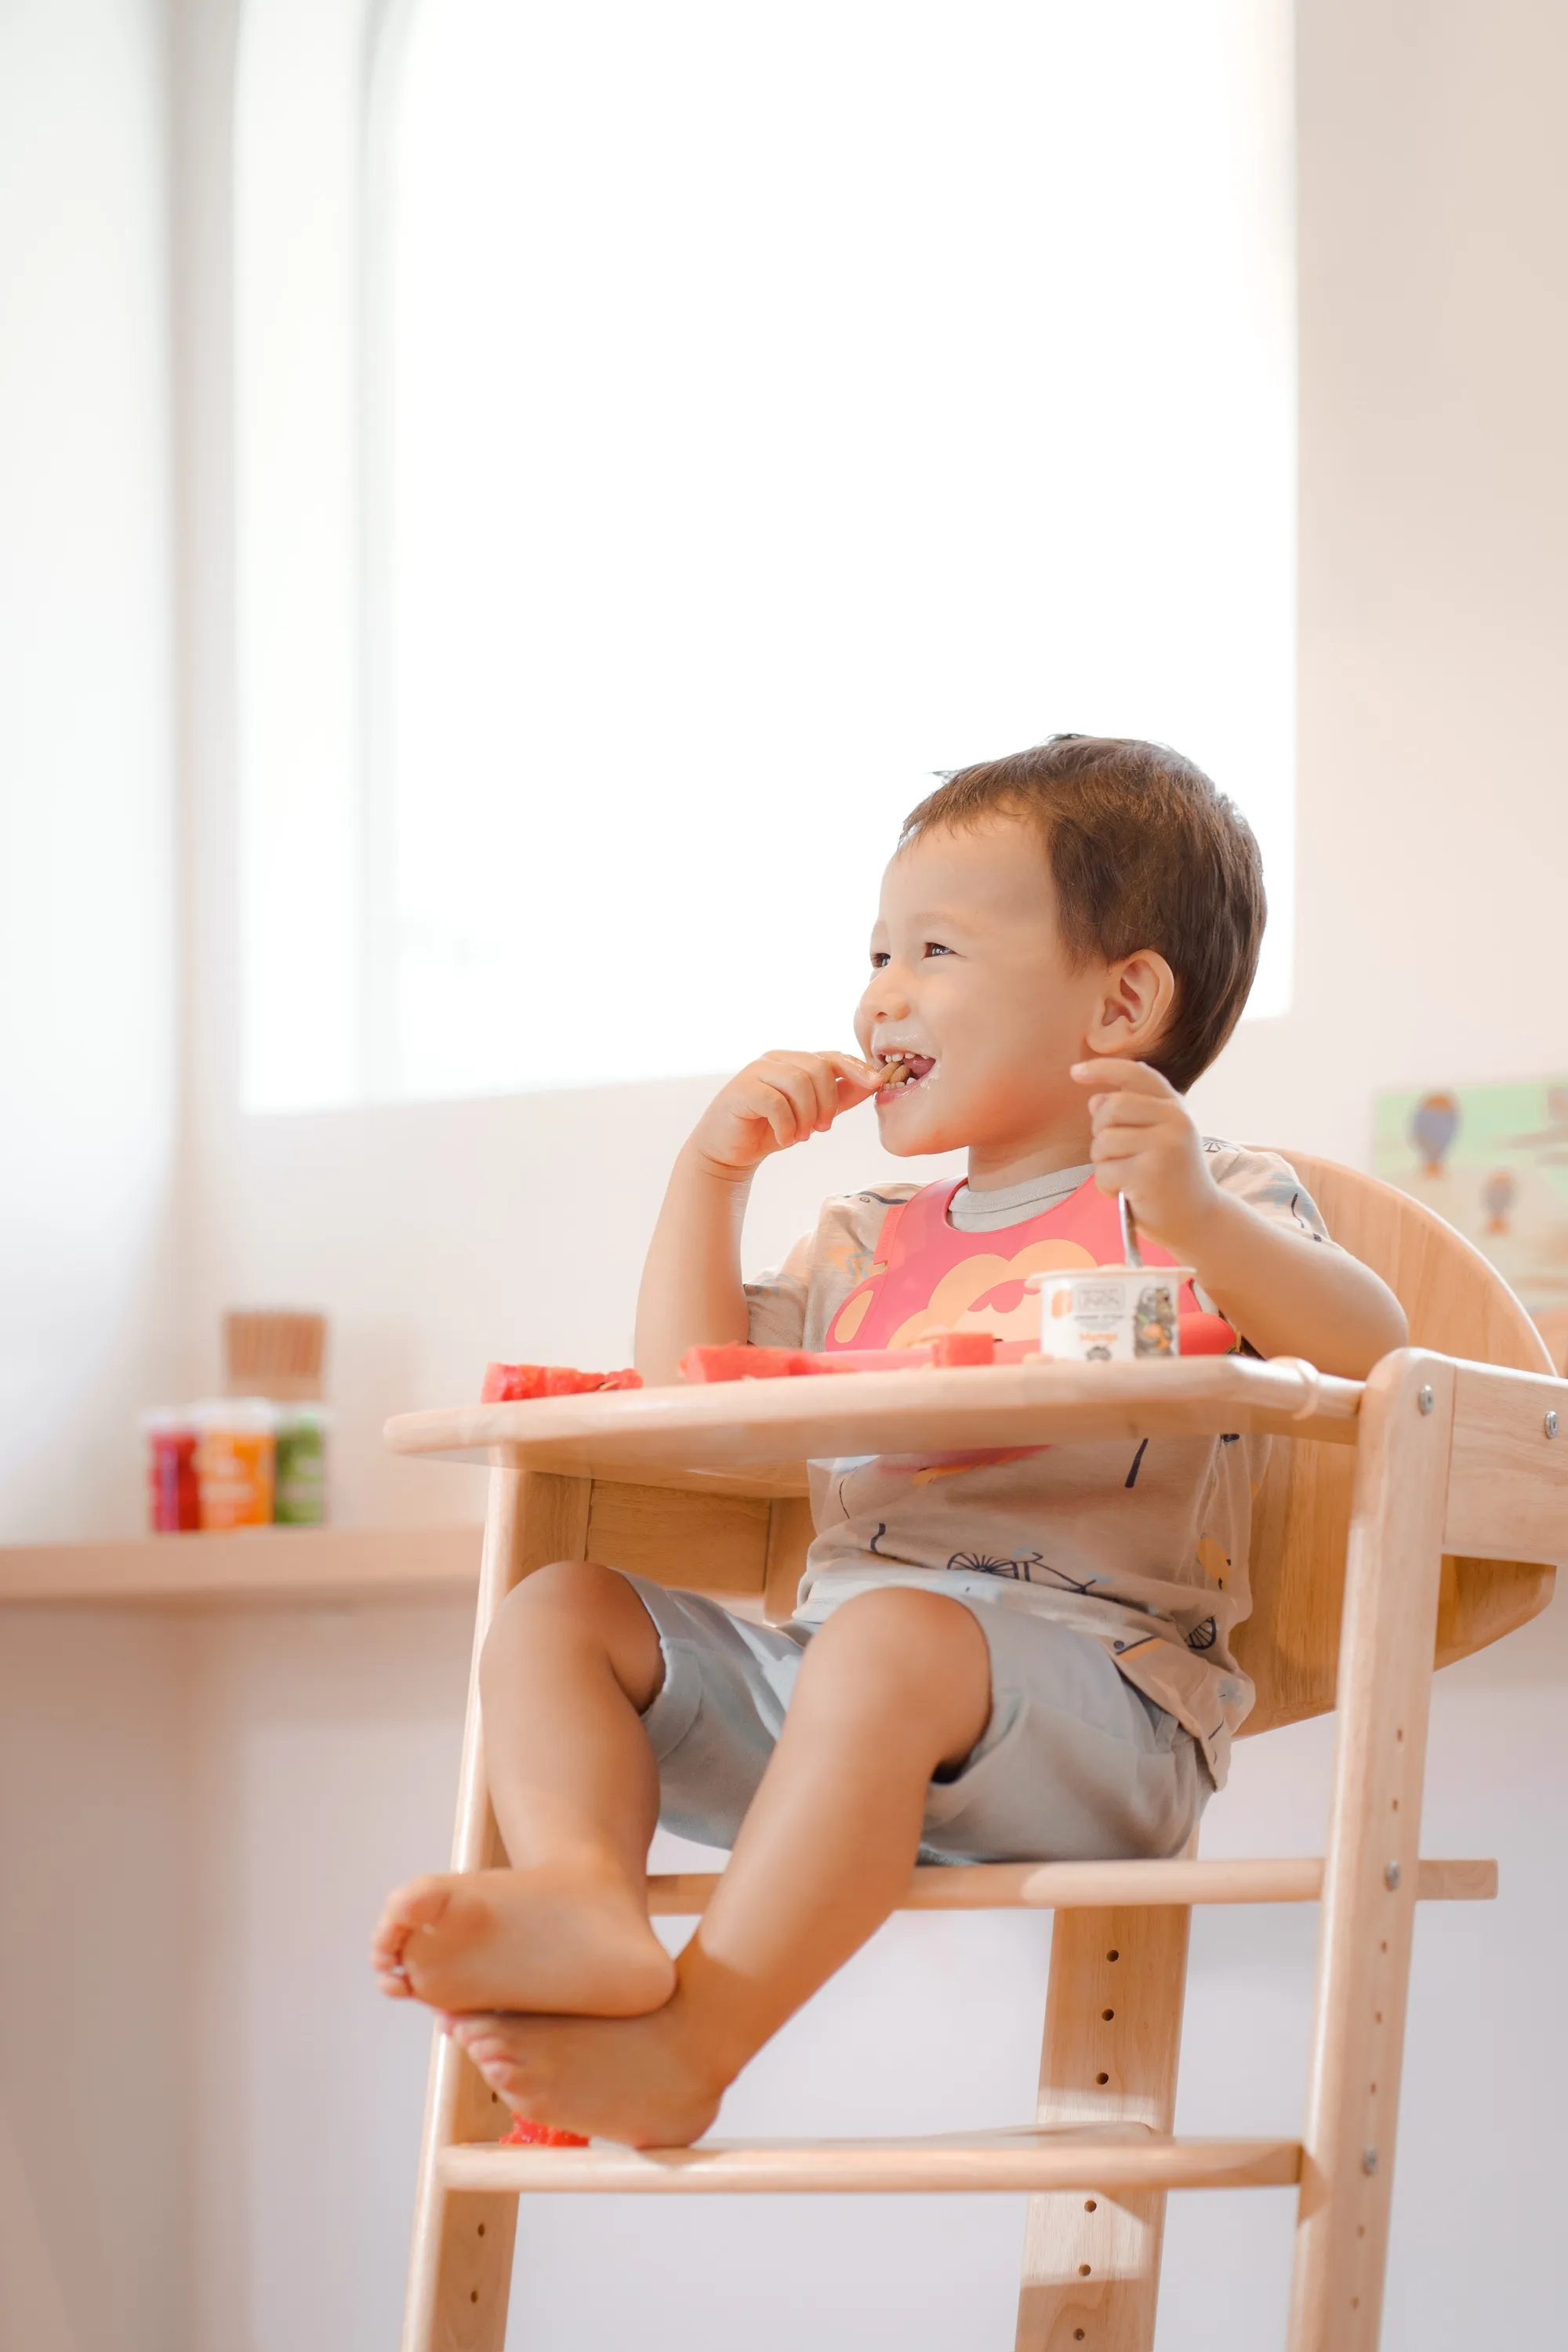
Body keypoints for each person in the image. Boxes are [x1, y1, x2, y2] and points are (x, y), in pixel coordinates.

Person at [371, 734, 1408, 2148]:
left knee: (893, 1638)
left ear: (1122, 1001)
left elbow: (1373, 1348)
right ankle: (583, 1898)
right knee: (561, 1613)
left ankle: (698, 2041)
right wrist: (711, 1176)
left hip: (1100, 1720)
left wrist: (1202, 1224)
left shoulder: (1207, 1193)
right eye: (873, 956)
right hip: (840, 1705)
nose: (881, 998)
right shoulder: (866, 1237)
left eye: (934, 950)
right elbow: (694, 1393)